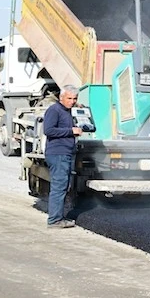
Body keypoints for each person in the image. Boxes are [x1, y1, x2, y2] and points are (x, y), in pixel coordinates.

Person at [43, 85, 82, 228]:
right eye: (69, 98)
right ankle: (54, 220)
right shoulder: (54, 110)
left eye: (74, 99)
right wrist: (70, 131)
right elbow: (48, 130)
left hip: (65, 153)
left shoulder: (67, 111)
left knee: (63, 186)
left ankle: (58, 217)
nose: (72, 101)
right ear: (61, 97)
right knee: (59, 187)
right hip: (57, 153)